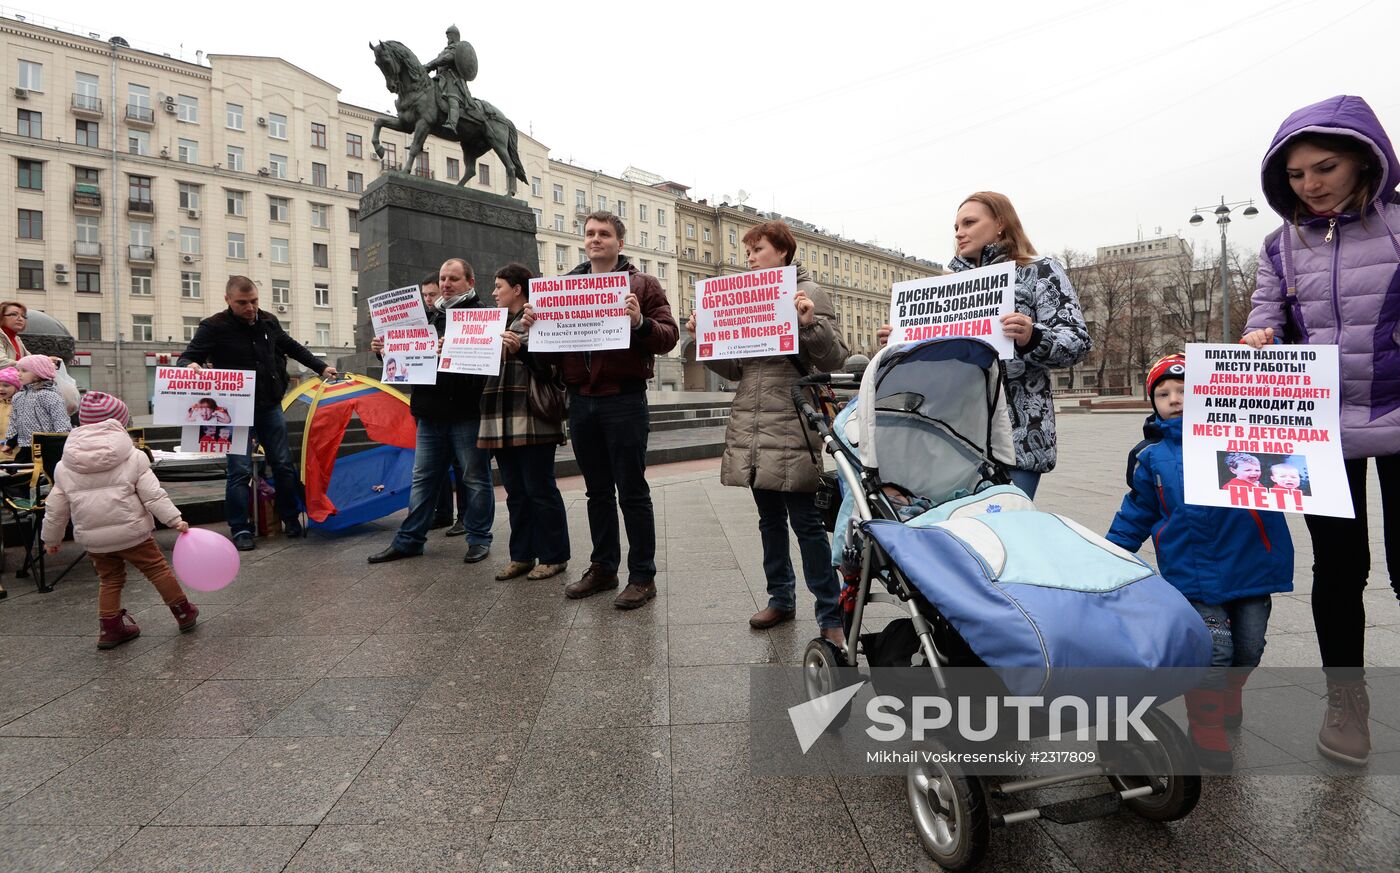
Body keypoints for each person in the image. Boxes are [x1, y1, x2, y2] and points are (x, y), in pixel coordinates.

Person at [1241, 94, 1400, 766]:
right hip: (1318, 428)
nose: (1310, 183)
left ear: (1365, 159)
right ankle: (1347, 702)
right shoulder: (1282, 243)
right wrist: (1258, 334)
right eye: (1297, 174)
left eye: (1324, 166)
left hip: (1397, 415)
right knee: (1338, 569)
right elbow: (1265, 306)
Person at [1106, 354, 1292, 771]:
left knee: (1248, 646)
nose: (1175, 399)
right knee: (1215, 650)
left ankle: (1228, 694)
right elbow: (1139, 509)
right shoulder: (1151, 455)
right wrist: (1112, 551)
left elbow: (1291, 465)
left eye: (1185, 389)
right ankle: (1205, 724)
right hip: (1192, 570)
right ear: (1152, 402)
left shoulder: (1246, 438)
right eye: (1163, 393)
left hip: (1251, 566)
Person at [684, 220, 850, 637]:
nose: (750, 258)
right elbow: (734, 369)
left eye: (757, 249)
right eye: (748, 252)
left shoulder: (808, 294)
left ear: (782, 251)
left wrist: (810, 322)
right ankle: (781, 598)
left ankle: (830, 616)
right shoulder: (743, 299)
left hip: (792, 417)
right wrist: (707, 339)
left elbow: (834, 360)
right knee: (768, 521)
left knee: (807, 525)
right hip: (753, 418)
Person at [877, 192, 1091, 498]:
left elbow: (1078, 341)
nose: (960, 232)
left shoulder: (1039, 271)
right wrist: (900, 344)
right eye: (956, 227)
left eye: (969, 222)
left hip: (1018, 438)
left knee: (1005, 533)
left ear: (1000, 223)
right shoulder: (946, 287)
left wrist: (1033, 336)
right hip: (952, 439)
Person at [522, 212, 678, 608]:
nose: (595, 239)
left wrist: (640, 321)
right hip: (581, 400)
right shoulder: (564, 288)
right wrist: (532, 330)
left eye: (604, 234)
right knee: (597, 492)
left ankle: (642, 575)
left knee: (632, 491)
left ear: (619, 243)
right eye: (590, 234)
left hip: (624, 399)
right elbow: (547, 359)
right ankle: (604, 568)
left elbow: (668, 337)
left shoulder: (642, 285)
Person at [178, 275, 338, 551]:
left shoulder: (268, 321)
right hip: (232, 411)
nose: (250, 307)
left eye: (253, 301)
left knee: (284, 465)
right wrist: (190, 365)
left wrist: (321, 367)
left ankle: (290, 519)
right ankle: (240, 529)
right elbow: (186, 357)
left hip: (269, 406)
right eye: (242, 303)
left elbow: (292, 347)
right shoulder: (213, 327)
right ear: (228, 300)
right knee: (239, 471)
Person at [41, 392, 196, 649]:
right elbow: (153, 495)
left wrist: (51, 539)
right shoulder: (133, 456)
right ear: (119, 424)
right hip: (133, 533)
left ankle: (110, 628)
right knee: (157, 569)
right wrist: (174, 520)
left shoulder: (64, 464)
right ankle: (183, 612)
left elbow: (56, 507)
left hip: (94, 538)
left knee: (110, 579)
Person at [368, 258, 495, 564]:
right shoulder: (425, 319)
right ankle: (410, 540)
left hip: (466, 413)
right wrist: (383, 353)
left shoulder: (482, 317)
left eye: (453, 278)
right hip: (429, 413)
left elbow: (485, 368)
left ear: (470, 283)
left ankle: (478, 538)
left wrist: (450, 349)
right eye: (443, 279)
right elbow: (405, 367)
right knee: (424, 479)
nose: (446, 284)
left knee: (475, 478)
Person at [478, 262, 570, 582]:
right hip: (500, 416)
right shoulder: (491, 323)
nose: (493, 292)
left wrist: (522, 350)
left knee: (539, 489)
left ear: (517, 289)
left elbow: (552, 369)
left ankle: (554, 555)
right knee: (515, 491)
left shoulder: (539, 318)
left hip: (532, 417)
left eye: (499, 286)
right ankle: (522, 555)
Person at [5, 355, 71, 452]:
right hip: (24, 447)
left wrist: (61, 444)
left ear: (38, 373)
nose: (18, 374)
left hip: (48, 447)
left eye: (24, 371)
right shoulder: (18, 397)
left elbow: (61, 422)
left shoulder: (49, 395)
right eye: (18, 370)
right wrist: (10, 442)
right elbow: (14, 421)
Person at [0, 301, 31, 369]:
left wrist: (47, 360)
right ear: (1, 317)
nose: (20, 319)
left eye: (23, 316)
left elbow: (30, 359)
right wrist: (30, 366)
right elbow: (1, 362)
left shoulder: (16, 338)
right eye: (14, 314)